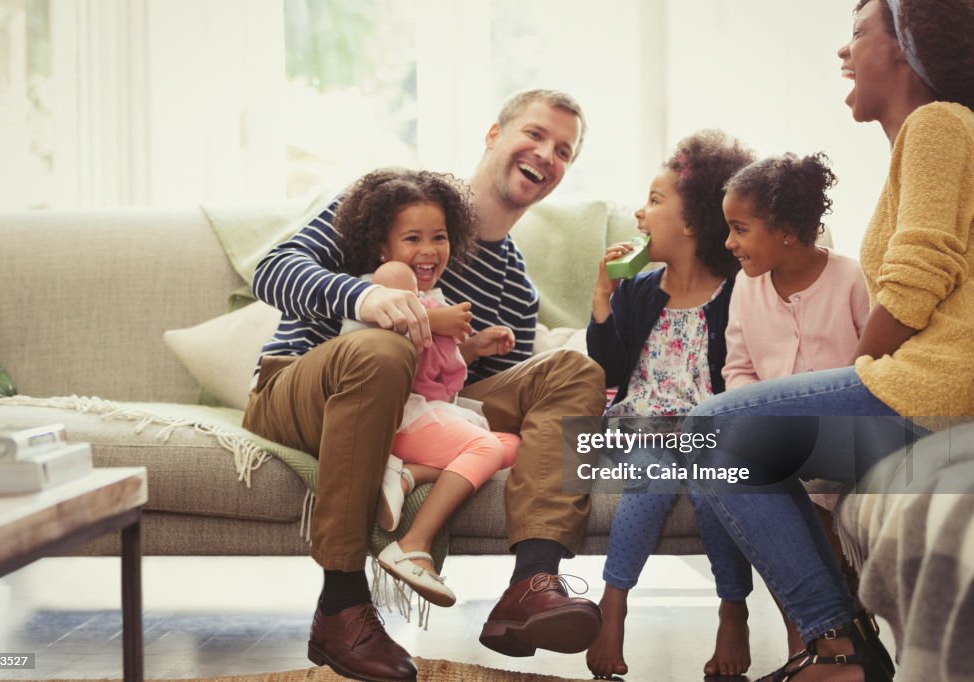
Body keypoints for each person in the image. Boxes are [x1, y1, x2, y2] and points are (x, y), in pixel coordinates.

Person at [243, 89, 606, 682]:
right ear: (493, 134)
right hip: (300, 388)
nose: (546, 153)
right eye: (535, 134)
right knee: (382, 348)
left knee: (573, 370)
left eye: (563, 150)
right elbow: (272, 270)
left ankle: (530, 588)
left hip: (417, 408)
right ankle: (340, 605)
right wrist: (368, 296)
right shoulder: (387, 210)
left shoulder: (516, 287)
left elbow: (466, 396)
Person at [683, 1, 974, 680]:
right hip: (928, 391)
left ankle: (838, 648)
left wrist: (862, 371)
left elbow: (916, 277)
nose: (843, 54)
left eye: (856, 34)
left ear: (906, 46)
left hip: (934, 392)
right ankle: (842, 645)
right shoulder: (932, 136)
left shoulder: (938, 124)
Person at [585, 130, 756, 679]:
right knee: (652, 478)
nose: (639, 213)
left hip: (708, 431)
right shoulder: (638, 290)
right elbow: (611, 370)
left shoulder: (738, 293)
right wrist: (601, 300)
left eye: (654, 201)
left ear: (692, 224)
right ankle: (613, 608)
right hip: (638, 426)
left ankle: (733, 611)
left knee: (715, 491)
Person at [332, 168, 521, 609]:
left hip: (426, 416)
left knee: (515, 444)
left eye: (439, 237)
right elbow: (393, 331)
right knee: (486, 450)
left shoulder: (433, 298)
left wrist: (471, 349)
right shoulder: (380, 285)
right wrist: (436, 321)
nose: (428, 250)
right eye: (412, 238)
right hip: (396, 418)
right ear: (383, 246)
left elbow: (434, 374)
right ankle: (413, 544)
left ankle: (408, 473)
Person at [722, 152, 871, 655]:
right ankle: (812, 639)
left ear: (786, 229)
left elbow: (874, 371)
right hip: (776, 436)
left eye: (740, 228)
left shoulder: (851, 278)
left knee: (810, 488)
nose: (730, 242)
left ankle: (836, 634)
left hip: (844, 432)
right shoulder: (746, 287)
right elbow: (738, 369)